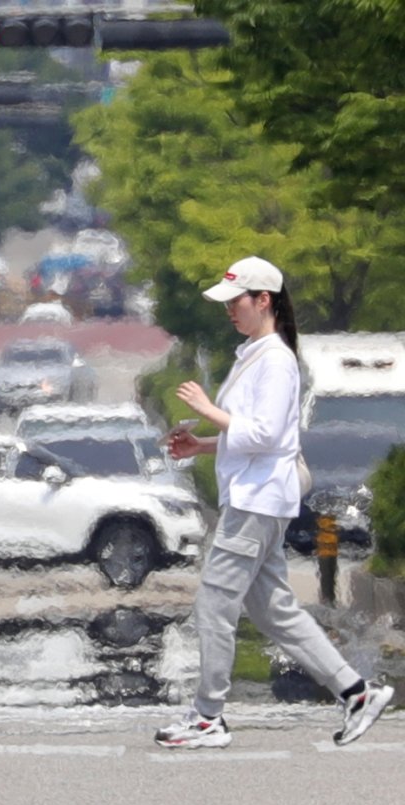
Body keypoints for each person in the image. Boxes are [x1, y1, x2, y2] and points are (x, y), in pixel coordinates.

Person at [154, 256, 394, 749]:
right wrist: (201, 445)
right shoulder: (257, 355)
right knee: (275, 610)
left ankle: (207, 718)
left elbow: (263, 435)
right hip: (255, 497)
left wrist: (207, 411)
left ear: (264, 300)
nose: (230, 311)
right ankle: (356, 692)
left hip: (256, 503)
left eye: (236, 301)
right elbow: (264, 439)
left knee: (214, 605)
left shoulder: (276, 360)